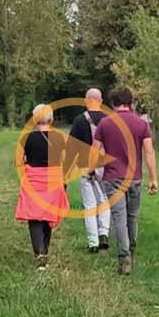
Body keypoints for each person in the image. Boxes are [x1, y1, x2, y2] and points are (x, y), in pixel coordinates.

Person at [91, 87, 158, 276]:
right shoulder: (141, 124)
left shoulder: (105, 123)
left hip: (113, 177)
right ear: (131, 102)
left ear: (112, 103)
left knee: (119, 217)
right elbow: (149, 152)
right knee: (132, 215)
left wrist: (90, 170)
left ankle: (124, 258)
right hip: (134, 176)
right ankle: (132, 250)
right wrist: (153, 178)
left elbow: (94, 151)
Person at [15, 104, 70, 270]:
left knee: (34, 217)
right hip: (53, 181)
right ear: (51, 120)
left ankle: (38, 254)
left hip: (33, 181)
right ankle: (45, 252)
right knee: (47, 216)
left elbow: (17, 161)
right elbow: (63, 161)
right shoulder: (59, 138)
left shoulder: (27, 138)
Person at [65, 88, 111, 254]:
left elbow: (71, 148)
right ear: (101, 100)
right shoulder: (108, 119)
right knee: (104, 200)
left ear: (86, 101)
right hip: (105, 166)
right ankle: (104, 233)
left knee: (90, 204)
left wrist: (66, 172)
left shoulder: (79, 120)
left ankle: (93, 242)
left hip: (85, 167)